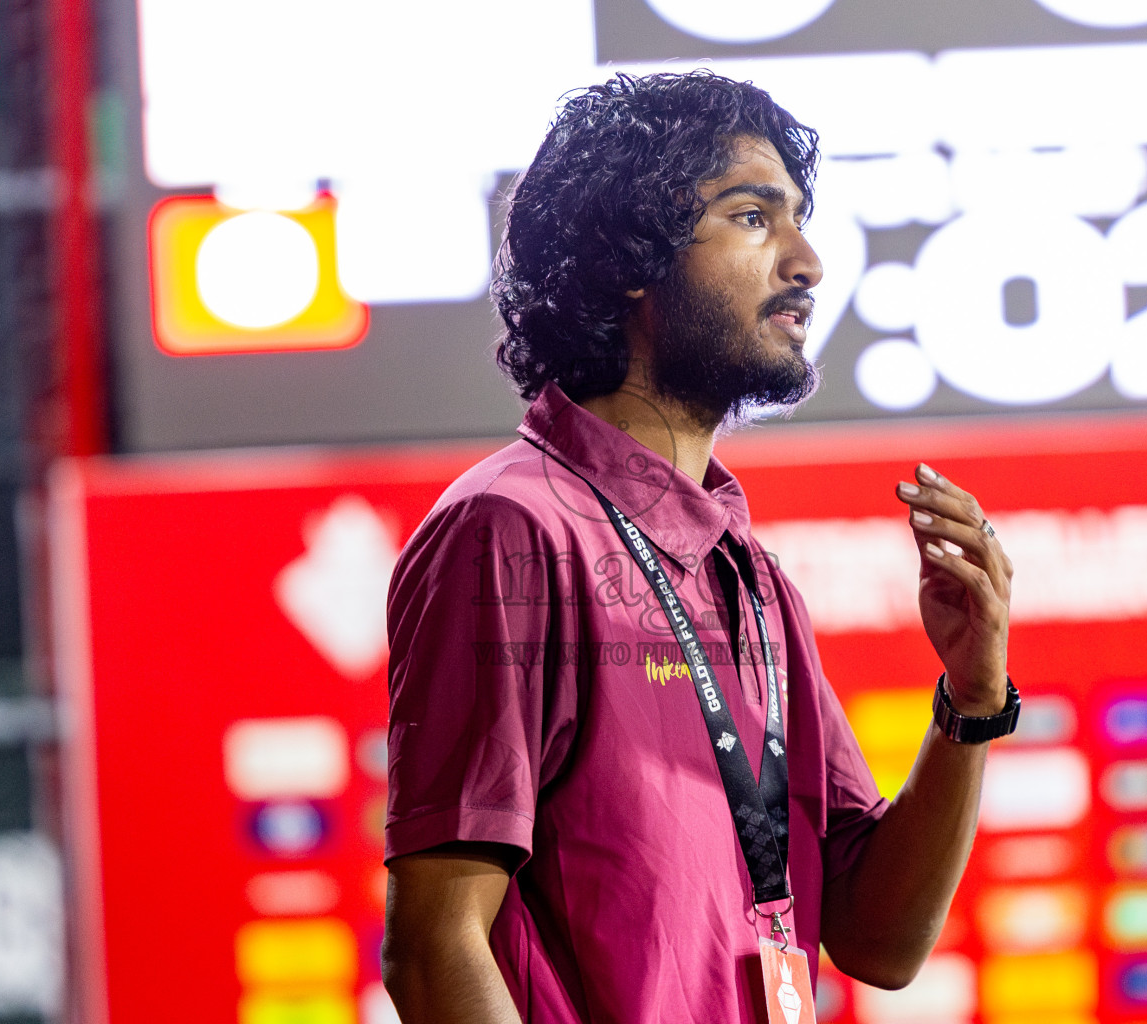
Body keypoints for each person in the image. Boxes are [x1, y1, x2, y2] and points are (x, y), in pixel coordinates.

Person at [380, 71, 1015, 1023]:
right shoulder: (513, 531)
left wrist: (971, 703)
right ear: (633, 255)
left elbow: (880, 941)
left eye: (798, 219)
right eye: (753, 217)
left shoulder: (750, 578)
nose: (807, 261)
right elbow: (436, 949)